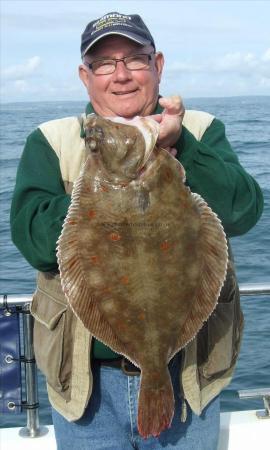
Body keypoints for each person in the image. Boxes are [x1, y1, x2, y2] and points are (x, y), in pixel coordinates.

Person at [10, 11, 263, 450]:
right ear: (85, 76)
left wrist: (180, 147)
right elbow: (33, 239)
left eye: (135, 59)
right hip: (85, 391)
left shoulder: (199, 131)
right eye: (105, 63)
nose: (121, 75)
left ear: (158, 65)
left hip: (187, 377)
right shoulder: (50, 140)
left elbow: (242, 211)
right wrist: (105, 194)